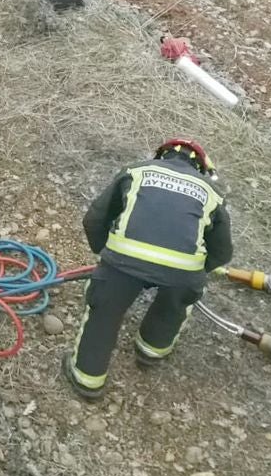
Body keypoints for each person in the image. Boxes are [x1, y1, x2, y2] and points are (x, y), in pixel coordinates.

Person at [64, 139, 233, 401]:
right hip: (182, 271)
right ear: (201, 167)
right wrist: (197, 271)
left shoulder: (137, 171)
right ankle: (151, 351)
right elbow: (222, 252)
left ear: (160, 155)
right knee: (176, 301)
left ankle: (87, 379)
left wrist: (105, 256)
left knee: (104, 312)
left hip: (123, 263)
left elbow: (94, 219)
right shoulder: (211, 191)